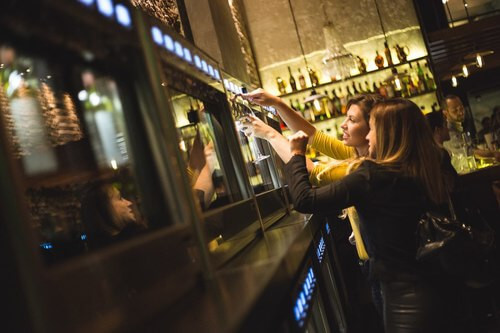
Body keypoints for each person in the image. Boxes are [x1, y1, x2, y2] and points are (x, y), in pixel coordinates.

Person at [285, 98, 463, 332]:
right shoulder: (427, 164)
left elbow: (305, 200)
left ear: (389, 133)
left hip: (404, 296)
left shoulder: (371, 176)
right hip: (442, 282)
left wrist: (297, 154)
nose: (368, 137)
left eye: (374, 129)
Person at [241, 90, 385, 322]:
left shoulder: (361, 167)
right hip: (376, 265)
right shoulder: (356, 152)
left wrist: (269, 133)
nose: (343, 125)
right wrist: (277, 103)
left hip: (382, 269)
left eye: (352, 119)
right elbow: (314, 135)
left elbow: (313, 172)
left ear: (372, 128)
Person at [81, 181, 147, 249]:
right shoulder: (137, 241)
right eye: (119, 198)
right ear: (104, 209)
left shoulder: (97, 252)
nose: (129, 203)